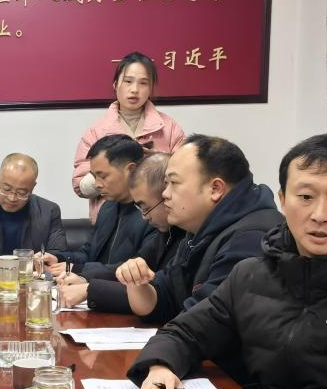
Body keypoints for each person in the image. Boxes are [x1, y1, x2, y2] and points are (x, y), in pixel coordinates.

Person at [126, 134, 327, 389]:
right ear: (282, 200)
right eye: (306, 197)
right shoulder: (252, 275)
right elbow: (185, 332)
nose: (320, 215)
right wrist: (161, 365)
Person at [115, 134, 283, 324]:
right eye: (166, 184)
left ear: (215, 189)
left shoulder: (250, 239)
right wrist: (137, 284)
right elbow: (164, 298)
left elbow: (205, 323)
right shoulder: (198, 232)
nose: (165, 194)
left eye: (174, 183)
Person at [59, 152, 185, 312]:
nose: (144, 216)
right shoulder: (165, 232)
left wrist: (90, 289)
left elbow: (163, 293)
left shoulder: (184, 234)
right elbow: (126, 271)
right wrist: (84, 279)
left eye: (146, 208)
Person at [73, 52, 184, 222]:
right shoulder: (96, 131)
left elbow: (184, 176)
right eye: (128, 81)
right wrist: (110, 171)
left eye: (143, 83)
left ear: (151, 88)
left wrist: (158, 162)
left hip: (158, 221)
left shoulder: (169, 128)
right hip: (110, 223)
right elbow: (80, 187)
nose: (134, 90)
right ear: (115, 84)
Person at [52, 135, 154, 278]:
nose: (97, 184)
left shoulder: (153, 214)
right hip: (94, 287)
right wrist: (58, 258)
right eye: (95, 176)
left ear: (131, 170)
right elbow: (88, 253)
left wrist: (78, 269)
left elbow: (138, 270)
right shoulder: (108, 208)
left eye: (103, 176)